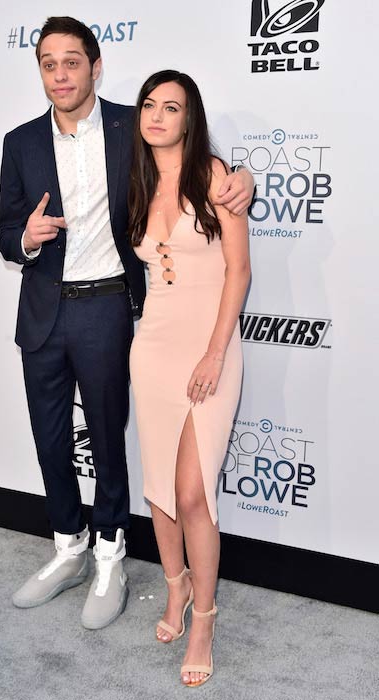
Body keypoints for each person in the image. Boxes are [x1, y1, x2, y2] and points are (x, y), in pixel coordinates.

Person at [0, 17, 254, 631]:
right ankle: (68, 547)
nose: (61, 75)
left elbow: (188, 165)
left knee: (109, 441)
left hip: (109, 308)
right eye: (49, 64)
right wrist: (23, 239)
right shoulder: (20, 141)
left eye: (72, 63)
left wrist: (242, 176)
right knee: (51, 437)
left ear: (95, 66)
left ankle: (111, 553)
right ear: (40, 71)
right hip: (42, 311)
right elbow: (5, 231)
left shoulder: (128, 128)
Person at [129, 70, 251, 685]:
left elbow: (238, 274)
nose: (156, 116)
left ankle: (204, 616)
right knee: (157, 486)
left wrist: (213, 354)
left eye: (170, 107)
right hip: (151, 346)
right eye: (149, 105)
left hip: (210, 349)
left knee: (192, 493)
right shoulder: (138, 179)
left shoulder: (216, 177)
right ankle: (174, 589)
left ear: (189, 117)